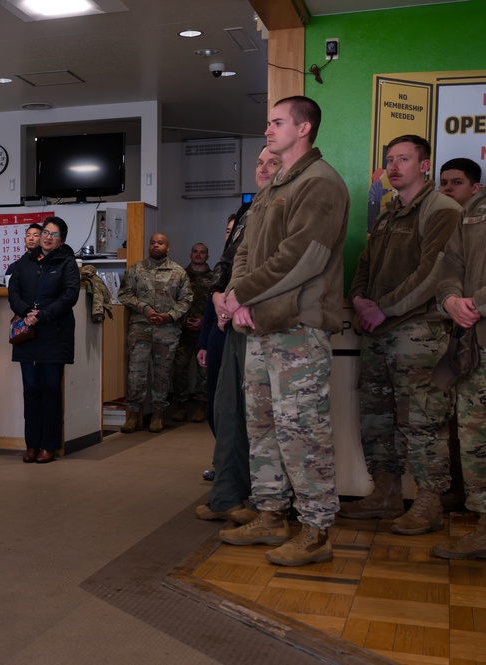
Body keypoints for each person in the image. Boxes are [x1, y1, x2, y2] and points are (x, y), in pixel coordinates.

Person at [217, 96, 350, 567]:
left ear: (305, 127)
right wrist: (238, 295)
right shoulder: (276, 183)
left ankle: (316, 531)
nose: (268, 131)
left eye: (276, 123)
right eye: (269, 123)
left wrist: (242, 295)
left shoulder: (321, 183)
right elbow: (247, 251)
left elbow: (303, 256)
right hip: (260, 329)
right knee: (264, 427)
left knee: (303, 433)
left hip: (298, 328)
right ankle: (271, 515)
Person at [340, 135, 462, 535]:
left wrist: (383, 308)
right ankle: (385, 494)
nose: (394, 167)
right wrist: (358, 298)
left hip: (417, 333)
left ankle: (429, 503)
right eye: (390, 160)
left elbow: (432, 275)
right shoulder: (389, 213)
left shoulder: (441, 209)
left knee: (422, 421)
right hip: (377, 332)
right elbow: (364, 262)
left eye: (404, 159)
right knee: (377, 419)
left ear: (425, 165)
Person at [193, 146, 280, 522]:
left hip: (262, 322)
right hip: (229, 319)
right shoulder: (249, 210)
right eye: (259, 163)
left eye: (271, 162)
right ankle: (226, 495)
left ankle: (266, 504)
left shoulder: (286, 204)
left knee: (260, 419)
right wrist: (217, 295)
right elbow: (226, 263)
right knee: (226, 411)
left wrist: (235, 297)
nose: (262, 169)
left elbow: (283, 265)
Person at [432, 167, 486, 561]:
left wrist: (478, 304)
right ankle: (484, 527)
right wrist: (451, 300)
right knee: (474, 439)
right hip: (474, 345)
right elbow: (449, 265)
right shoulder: (473, 211)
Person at [8, 216, 80, 463]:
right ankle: (32, 445)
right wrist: (27, 313)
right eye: (45, 233)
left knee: (50, 389)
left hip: (54, 334)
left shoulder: (67, 262)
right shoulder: (24, 261)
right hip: (27, 335)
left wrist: (43, 315)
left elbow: (70, 295)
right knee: (30, 389)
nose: (48, 238)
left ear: (62, 240)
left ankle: (49, 445)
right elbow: (13, 291)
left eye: (54, 234)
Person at [117, 232, 192, 434]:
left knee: (162, 375)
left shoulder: (178, 273)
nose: (156, 246)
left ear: (167, 247)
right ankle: (133, 415)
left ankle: (157, 416)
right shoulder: (137, 270)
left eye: (160, 243)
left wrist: (170, 316)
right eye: (152, 243)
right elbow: (124, 294)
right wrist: (144, 308)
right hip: (141, 328)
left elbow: (186, 300)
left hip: (167, 331)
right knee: (135, 374)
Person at [171, 242, 212, 423]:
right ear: (190, 254)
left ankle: (201, 406)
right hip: (183, 330)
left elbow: (216, 306)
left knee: (204, 370)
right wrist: (184, 319)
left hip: (205, 331)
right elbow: (172, 302)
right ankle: (180, 405)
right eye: (195, 251)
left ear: (207, 256)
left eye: (202, 252)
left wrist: (203, 321)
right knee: (179, 368)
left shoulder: (214, 278)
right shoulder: (180, 276)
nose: (198, 255)